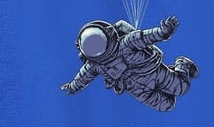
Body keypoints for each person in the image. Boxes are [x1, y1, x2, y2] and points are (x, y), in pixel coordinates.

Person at [61, 15, 199, 112]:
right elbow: (83, 77)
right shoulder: (95, 65)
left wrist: (164, 31)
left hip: (154, 73)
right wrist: (72, 87)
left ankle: (182, 64)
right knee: (167, 106)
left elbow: (147, 37)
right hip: (138, 90)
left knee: (182, 88)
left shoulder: (128, 42)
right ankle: (173, 78)